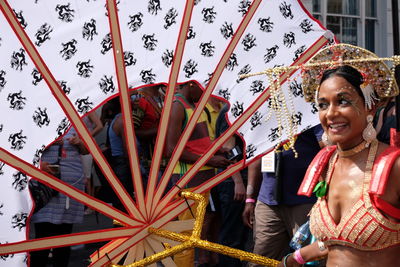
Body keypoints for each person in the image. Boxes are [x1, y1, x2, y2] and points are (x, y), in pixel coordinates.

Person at [280, 45, 400, 266]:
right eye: (323, 105)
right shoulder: (326, 162)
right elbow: (340, 239)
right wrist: (297, 257)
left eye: (343, 101)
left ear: (370, 107)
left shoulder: (393, 166)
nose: (331, 114)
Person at [165, 81, 231, 267]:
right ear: (191, 84)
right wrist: (209, 160)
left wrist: (215, 151)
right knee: (188, 237)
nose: (205, 92)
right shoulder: (178, 107)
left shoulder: (193, 105)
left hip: (202, 181)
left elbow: (196, 144)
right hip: (189, 182)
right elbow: (171, 150)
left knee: (196, 232)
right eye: (203, 86)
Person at [243, 124, 322, 263]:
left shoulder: (312, 111)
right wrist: (250, 198)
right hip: (268, 201)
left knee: (308, 259)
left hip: (306, 201)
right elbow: (255, 156)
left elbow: (329, 148)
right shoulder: (265, 114)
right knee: (260, 260)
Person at [30, 127, 88, 267]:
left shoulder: (75, 123)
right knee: (43, 235)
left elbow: (87, 150)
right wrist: (47, 145)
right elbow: (26, 148)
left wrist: (79, 143)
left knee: (64, 237)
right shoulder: (38, 121)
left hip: (71, 185)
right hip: (47, 185)